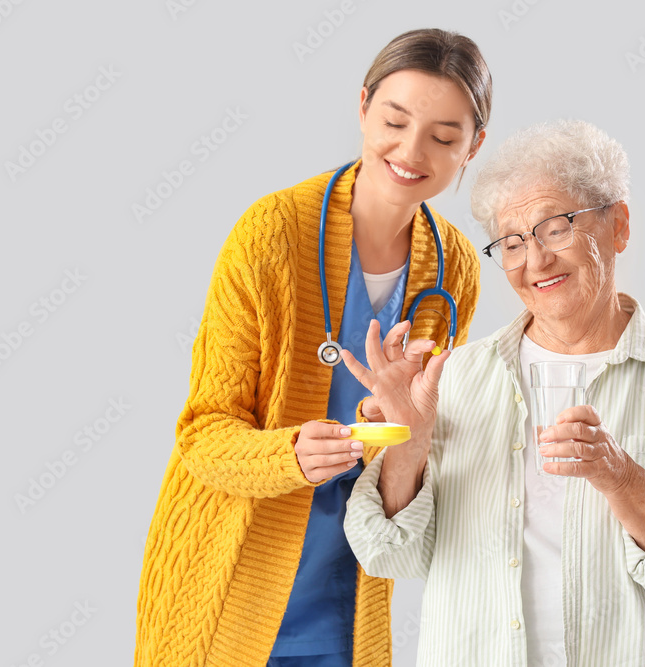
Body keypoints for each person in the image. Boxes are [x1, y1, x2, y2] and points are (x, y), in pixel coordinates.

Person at [343, 119, 645, 666]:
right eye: (512, 242)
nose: (535, 260)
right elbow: (388, 555)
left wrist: (621, 478)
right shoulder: (455, 379)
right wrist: (409, 441)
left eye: (556, 227)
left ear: (618, 225)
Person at [134, 29, 491, 667]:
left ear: (473, 147)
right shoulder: (270, 235)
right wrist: (289, 453)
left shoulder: (454, 266)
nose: (412, 152)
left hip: (348, 597)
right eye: (395, 121)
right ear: (362, 108)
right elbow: (202, 433)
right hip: (224, 580)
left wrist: (400, 430)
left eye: (443, 137)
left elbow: (420, 444)